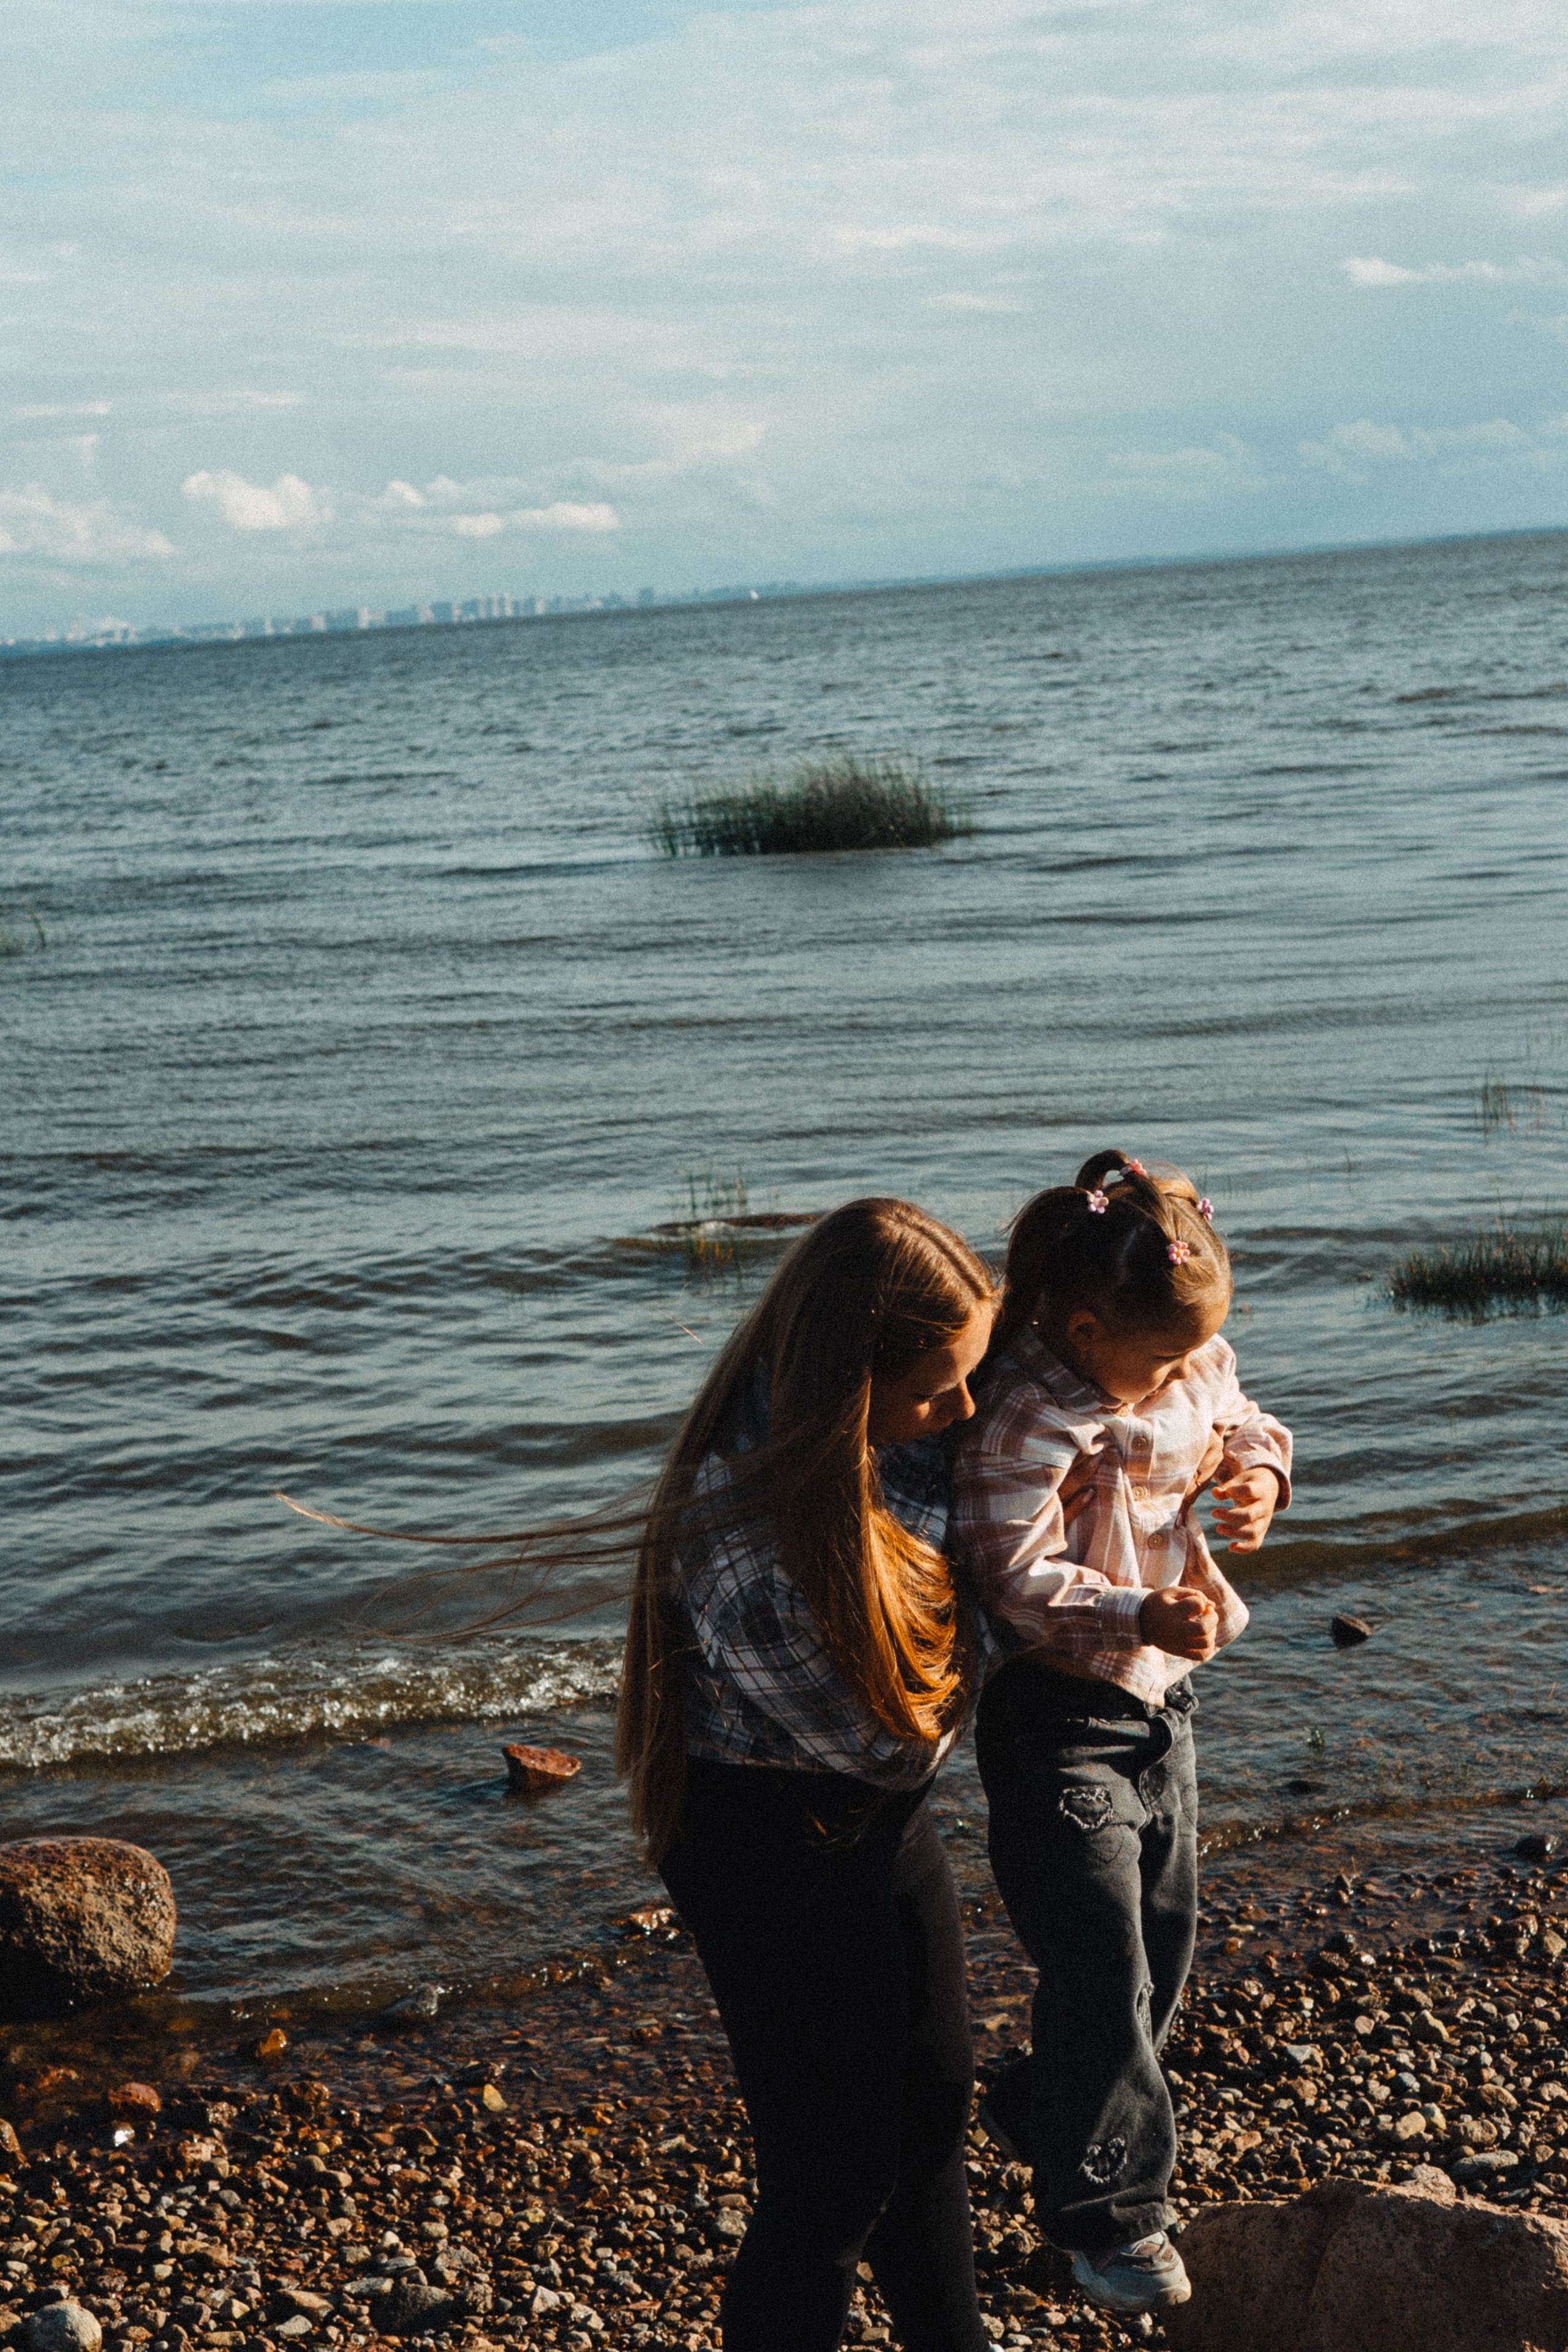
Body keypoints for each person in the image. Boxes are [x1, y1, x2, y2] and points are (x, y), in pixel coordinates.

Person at [616, 1197, 1000, 2352]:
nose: (966, 1410)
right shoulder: (749, 1546)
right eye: (939, 1389)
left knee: (933, 2115)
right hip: (759, 1846)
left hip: (875, 1822)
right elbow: (903, 1734)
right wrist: (1012, 1595)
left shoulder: (896, 1428)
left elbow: (1106, 1364)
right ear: (850, 1384)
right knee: (829, 2178)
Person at [950, 1151, 1292, 2317]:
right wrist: (1131, 1605)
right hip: (1054, 1713)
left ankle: (1048, 2109)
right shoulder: (1033, 1408)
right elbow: (1007, 1568)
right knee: (1101, 1959)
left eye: (1192, 1355)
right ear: (1086, 1325)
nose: (1180, 1376)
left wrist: (1255, 1476)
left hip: (1163, 1698)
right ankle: (1112, 2225)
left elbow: (1246, 1417)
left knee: (1163, 1944)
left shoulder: (1184, 1358)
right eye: (1159, 1361)